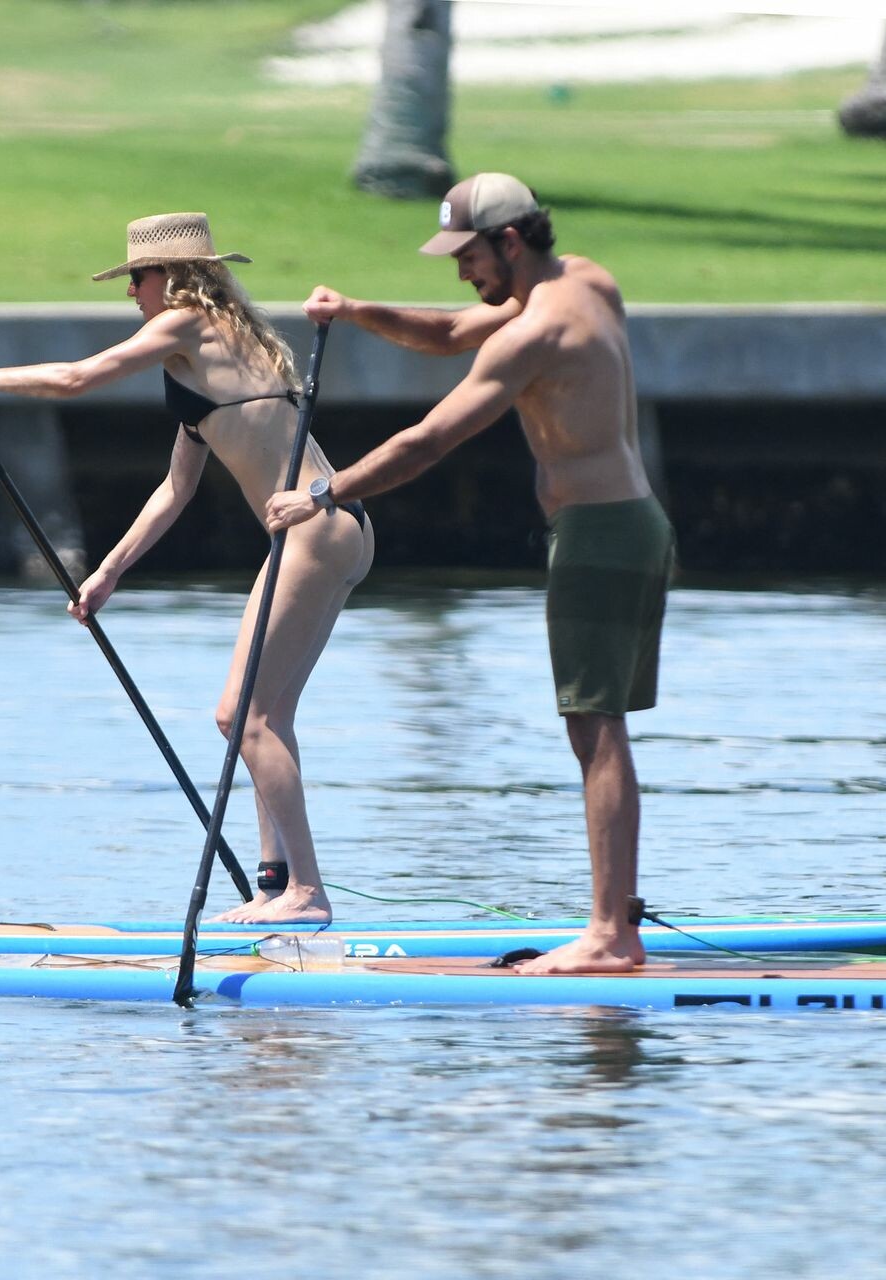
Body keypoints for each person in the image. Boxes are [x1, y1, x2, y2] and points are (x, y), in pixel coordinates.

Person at [267, 174, 673, 974]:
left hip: (597, 538)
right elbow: (453, 331)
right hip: (634, 525)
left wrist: (320, 493)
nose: (461, 271)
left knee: (595, 731)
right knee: (601, 730)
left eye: (469, 255)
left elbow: (427, 442)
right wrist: (355, 311)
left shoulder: (534, 335)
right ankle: (615, 925)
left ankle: (609, 936)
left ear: (510, 241)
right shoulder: (587, 281)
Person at [0, 213, 372, 925]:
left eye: (138, 277)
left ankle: (308, 895)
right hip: (337, 529)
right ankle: (275, 886)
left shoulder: (188, 324)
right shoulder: (212, 350)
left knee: (241, 716)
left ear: (176, 278)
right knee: (266, 717)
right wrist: (107, 573)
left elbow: (77, 378)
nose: (131, 291)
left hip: (314, 530)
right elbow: (175, 489)